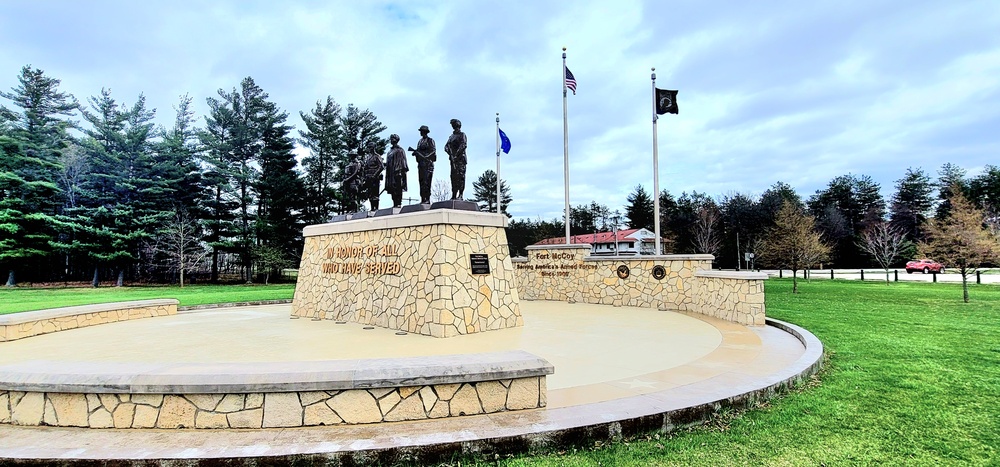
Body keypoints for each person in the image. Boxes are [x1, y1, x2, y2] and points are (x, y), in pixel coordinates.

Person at [407, 125, 436, 204]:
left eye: (421, 131)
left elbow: (433, 151)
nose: (420, 132)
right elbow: (418, 151)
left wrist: (427, 156)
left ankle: (427, 198)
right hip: (421, 164)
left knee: (427, 181)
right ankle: (423, 198)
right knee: (422, 181)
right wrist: (416, 153)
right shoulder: (420, 141)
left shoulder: (430, 140)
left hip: (428, 164)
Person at [445, 118, 467, 200]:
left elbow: (463, 145)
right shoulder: (451, 137)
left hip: (460, 159)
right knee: (453, 177)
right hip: (452, 159)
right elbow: (446, 146)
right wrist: (450, 154)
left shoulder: (462, 135)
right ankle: (454, 194)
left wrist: (456, 155)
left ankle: (460, 195)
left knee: (461, 176)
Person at [384, 134, 408, 208]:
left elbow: (403, 162)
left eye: (392, 139)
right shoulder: (390, 152)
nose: (391, 140)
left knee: (398, 187)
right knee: (392, 188)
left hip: (398, 172)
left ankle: (398, 202)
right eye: (391, 139)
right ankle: (394, 202)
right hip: (390, 173)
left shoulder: (400, 150)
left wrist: (401, 171)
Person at [361, 141, 385, 211]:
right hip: (368, 178)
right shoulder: (368, 157)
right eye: (368, 147)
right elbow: (365, 168)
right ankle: (372, 208)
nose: (369, 148)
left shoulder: (377, 156)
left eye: (371, 147)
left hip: (374, 178)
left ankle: (375, 208)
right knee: (370, 193)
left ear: (374, 147)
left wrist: (375, 175)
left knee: (375, 194)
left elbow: (381, 167)